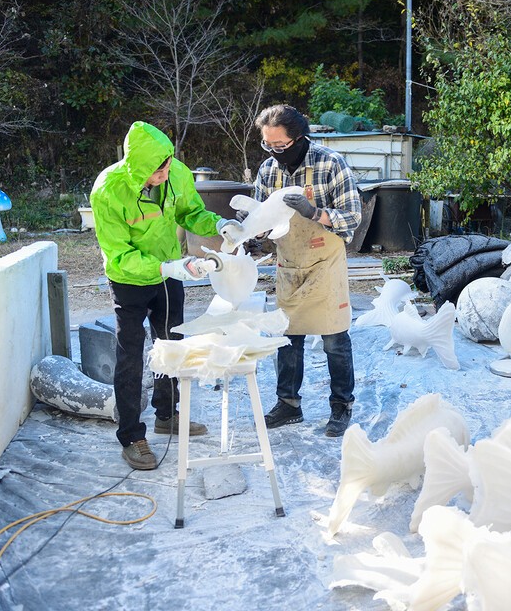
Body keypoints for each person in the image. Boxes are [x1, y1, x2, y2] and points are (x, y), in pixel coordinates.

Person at [91, 121, 242, 470]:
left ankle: (167, 414)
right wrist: (164, 269)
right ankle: (131, 436)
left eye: (166, 166)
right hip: (129, 279)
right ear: (137, 167)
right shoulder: (108, 191)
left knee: (172, 344)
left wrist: (217, 225)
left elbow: (191, 212)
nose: (163, 175)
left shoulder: (177, 173)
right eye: (155, 171)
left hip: (170, 272)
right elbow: (118, 255)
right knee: (130, 354)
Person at [244, 104, 362, 437]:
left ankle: (341, 406)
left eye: (280, 146)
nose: (274, 153)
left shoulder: (330, 164)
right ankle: (288, 405)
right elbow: (260, 221)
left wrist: (314, 212)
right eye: (268, 145)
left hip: (325, 264)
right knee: (287, 338)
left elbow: (353, 216)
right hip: (289, 264)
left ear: (299, 138)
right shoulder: (268, 171)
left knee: (334, 340)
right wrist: (256, 240)